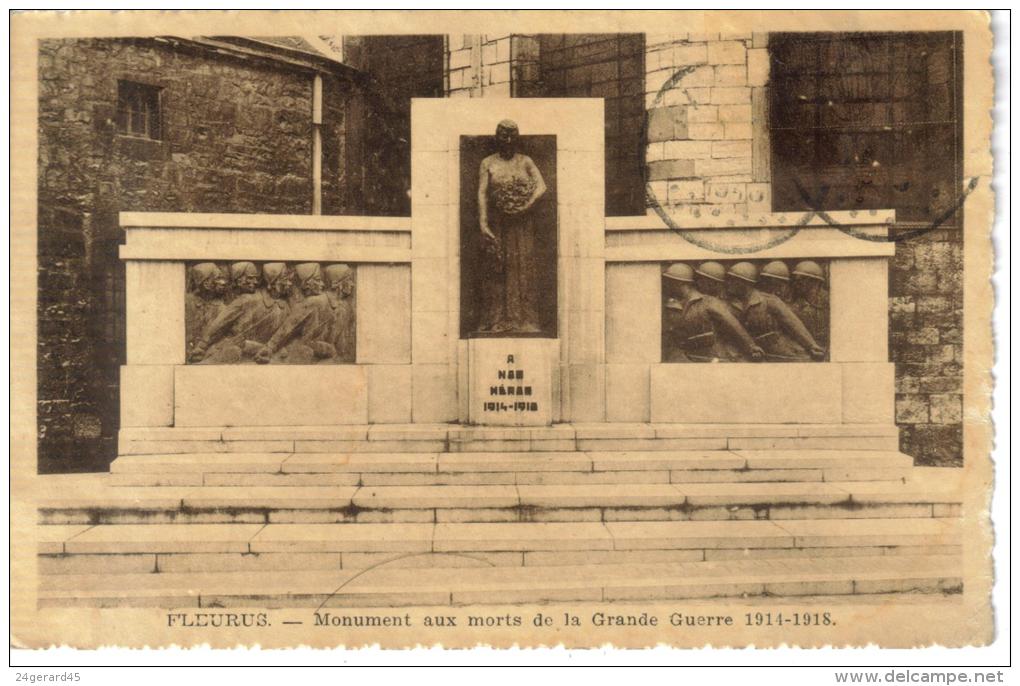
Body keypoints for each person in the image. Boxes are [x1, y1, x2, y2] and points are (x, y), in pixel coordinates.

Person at [476, 119, 547, 335]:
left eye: (511, 137)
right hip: (498, 223)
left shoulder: (525, 161)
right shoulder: (487, 163)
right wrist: (483, 222)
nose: (507, 141)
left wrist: (526, 205)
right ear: (497, 138)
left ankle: (523, 319)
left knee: (522, 266)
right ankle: (496, 319)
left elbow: (541, 186)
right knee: (496, 269)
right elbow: (482, 193)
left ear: (516, 139)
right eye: (503, 136)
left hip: (521, 223)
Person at [190, 262, 292, 364]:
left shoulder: (285, 307)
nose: (289, 283)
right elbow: (219, 323)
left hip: (261, 358)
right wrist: (202, 346)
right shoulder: (247, 300)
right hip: (232, 354)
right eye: (284, 279)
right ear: (272, 281)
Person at [662, 262, 763, 363]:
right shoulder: (672, 305)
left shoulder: (709, 301)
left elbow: (733, 325)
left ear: (679, 283)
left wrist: (752, 347)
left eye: (670, 282)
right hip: (690, 358)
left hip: (716, 358)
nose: (667, 285)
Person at [725, 261, 825, 361]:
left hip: (783, 354)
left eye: (733, 280)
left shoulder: (769, 300)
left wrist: (811, 345)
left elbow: (792, 323)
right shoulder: (732, 305)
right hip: (756, 354)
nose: (728, 283)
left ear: (744, 283)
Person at [255, 262, 336, 364]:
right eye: (317, 280)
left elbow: (289, 326)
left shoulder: (313, 301)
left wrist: (270, 346)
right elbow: (289, 326)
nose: (322, 284)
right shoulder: (307, 301)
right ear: (306, 284)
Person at [185, 262, 227, 360]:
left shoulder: (222, 308)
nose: (223, 282)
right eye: (218, 278)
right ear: (206, 284)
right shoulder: (186, 302)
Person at [789, 260, 830, 350]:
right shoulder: (795, 307)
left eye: (800, 281)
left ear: (814, 282)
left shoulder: (830, 301)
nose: (796, 285)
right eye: (795, 281)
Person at [323, 263, 356, 363]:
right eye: (349, 280)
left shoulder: (346, 306)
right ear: (338, 283)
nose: (352, 284)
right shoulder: (321, 303)